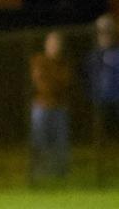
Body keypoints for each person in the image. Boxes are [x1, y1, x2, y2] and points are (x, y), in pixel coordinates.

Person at [29, 30, 72, 184]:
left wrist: (52, 81)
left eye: (57, 44)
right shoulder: (39, 60)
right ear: (46, 45)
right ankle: (40, 174)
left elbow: (66, 82)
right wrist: (54, 83)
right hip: (41, 107)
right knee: (40, 141)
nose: (54, 47)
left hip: (59, 108)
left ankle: (59, 176)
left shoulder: (63, 63)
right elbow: (41, 85)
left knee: (60, 142)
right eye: (51, 43)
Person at [86, 13, 119, 184]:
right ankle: (101, 176)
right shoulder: (94, 56)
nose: (104, 35)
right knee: (101, 140)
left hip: (117, 101)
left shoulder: (117, 53)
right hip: (101, 103)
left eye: (107, 31)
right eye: (101, 32)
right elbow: (89, 78)